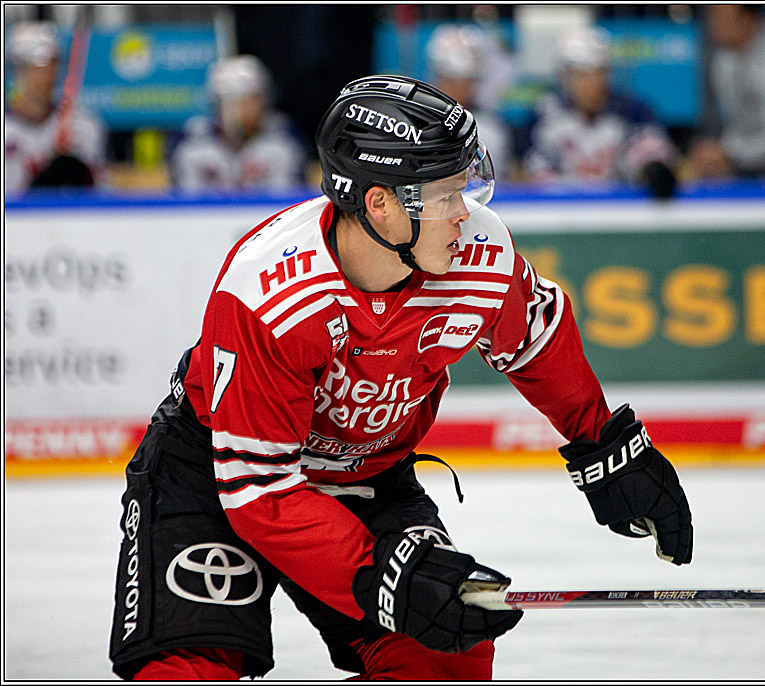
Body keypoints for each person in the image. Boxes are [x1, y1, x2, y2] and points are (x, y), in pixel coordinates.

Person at [108, 75, 694, 680]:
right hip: (215, 472)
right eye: (444, 196)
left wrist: (602, 442)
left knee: (447, 656)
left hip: (369, 477)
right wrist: (375, 573)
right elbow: (260, 490)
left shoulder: (477, 253)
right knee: (185, 671)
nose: (464, 213)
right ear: (381, 203)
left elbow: (536, 337)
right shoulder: (269, 292)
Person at [522, 26, 679, 198]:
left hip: (623, 210)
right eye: (583, 75)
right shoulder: (545, 115)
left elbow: (652, 160)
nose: (593, 84)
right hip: (564, 212)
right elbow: (532, 173)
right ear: (565, 77)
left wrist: (651, 171)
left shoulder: (633, 112)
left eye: (599, 73)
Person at [687, 5, 765, 179]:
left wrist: (727, 153)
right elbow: (731, 126)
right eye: (713, 16)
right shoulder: (722, 60)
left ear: (750, 19)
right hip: (742, 170)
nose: (715, 23)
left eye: (723, 16)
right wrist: (715, 153)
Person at [170, 54, 307, 191]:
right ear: (218, 103)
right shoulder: (190, 142)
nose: (245, 109)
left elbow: (290, 199)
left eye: (253, 99)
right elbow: (185, 202)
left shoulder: (284, 139)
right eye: (235, 100)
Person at [4, 20, 107, 194]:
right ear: (18, 70)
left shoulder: (84, 127)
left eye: (53, 65)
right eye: (36, 68)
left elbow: (101, 193)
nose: (47, 75)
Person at [426, 24, 514, 182]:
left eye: (467, 81)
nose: (460, 88)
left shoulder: (491, 128)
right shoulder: (419, 126)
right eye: (451, 80)